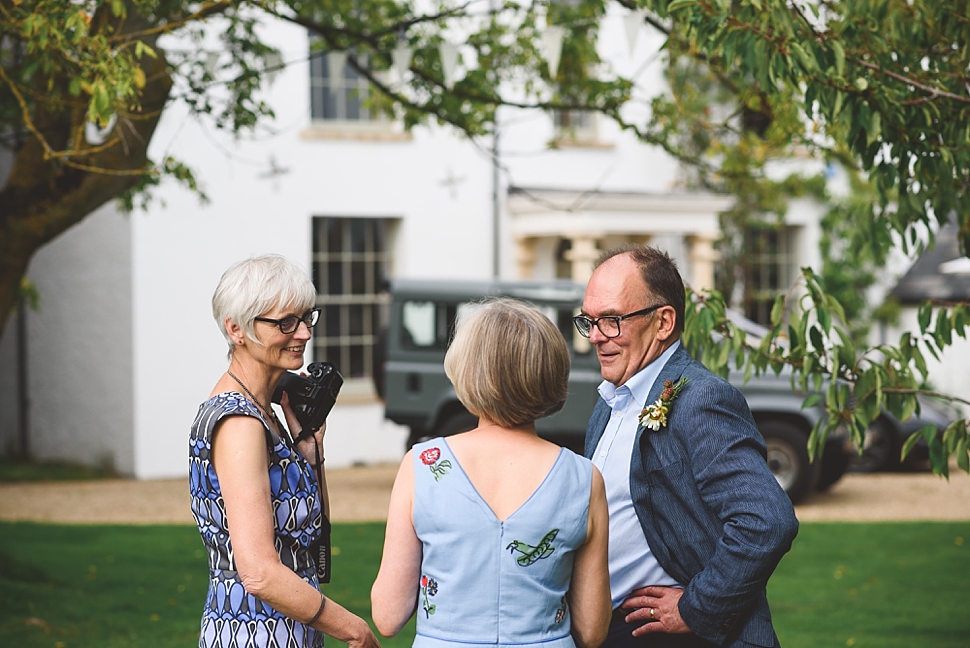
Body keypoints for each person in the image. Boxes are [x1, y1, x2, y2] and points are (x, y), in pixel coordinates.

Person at [576, 245, 799, 648]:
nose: (595, 336)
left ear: (663, 322)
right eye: (589, 321)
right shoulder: (610, 403)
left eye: (611, 320)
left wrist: (696, 609)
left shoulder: (700, 399)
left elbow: (766, 520)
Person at [371, 298, 612, 648]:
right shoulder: (583, 478)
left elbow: (388, 615)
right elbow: (592, 631)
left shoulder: (422, 465)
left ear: (467, 369)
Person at [188, 254, 381, 648]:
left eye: (307, 318)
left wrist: (309, 450)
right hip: (257, 634)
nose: (304, 334)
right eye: (285, 323)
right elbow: (259, 572)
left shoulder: (264, 415)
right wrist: (353, 629)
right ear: (236, 329)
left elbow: (309, 539)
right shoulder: (239, 423)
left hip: (287, 628)